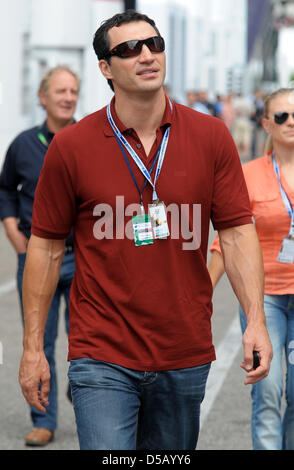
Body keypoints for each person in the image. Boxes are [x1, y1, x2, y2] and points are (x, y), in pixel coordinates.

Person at [18, 10, 272, 451]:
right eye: (129, 49)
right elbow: (46, 248)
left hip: (183, 348)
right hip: (101, 351)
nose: (147, 55)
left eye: (154, 44)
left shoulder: (211, 136)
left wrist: (256, 320)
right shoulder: (71, 146)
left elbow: (235, 233)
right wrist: (32, 348)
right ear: (105, 68)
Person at [208, 88, 294, 450]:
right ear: (266, 125)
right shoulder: (249, 174)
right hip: (264, 298)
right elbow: (227, 238)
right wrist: (201, 294)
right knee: (269, 391)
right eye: (281, 117)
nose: (291, 122)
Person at [0, 65, 79, 446]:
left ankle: (84, 390)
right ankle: (43, 420)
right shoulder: (23, 144)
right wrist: (14, 233)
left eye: (73, 91)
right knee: (39, 341)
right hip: (35, 256)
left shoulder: (90, 139)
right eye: (60, 91)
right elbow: (6, 190)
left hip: (84, 258)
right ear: (42, 97)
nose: (67, 97)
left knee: (88, 339)